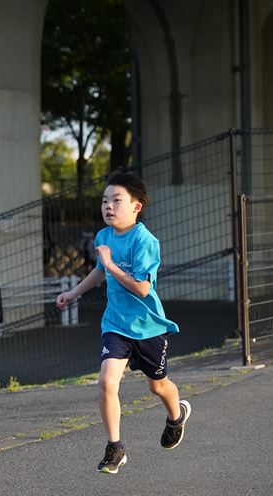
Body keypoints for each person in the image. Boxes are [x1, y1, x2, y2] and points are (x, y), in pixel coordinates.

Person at [55, 171, 190, 473]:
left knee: (158, 386)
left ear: (136, 207)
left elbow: (142, 288)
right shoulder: (104, 237)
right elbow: (100, 271)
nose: (109, 206)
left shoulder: (145, 241)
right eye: (105, 201)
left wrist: (111, 264)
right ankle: (115, 448)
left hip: (148, 327)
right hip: (115, 325)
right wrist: (74, 293)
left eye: (117, 200)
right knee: (106, 381)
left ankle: (176, 417)